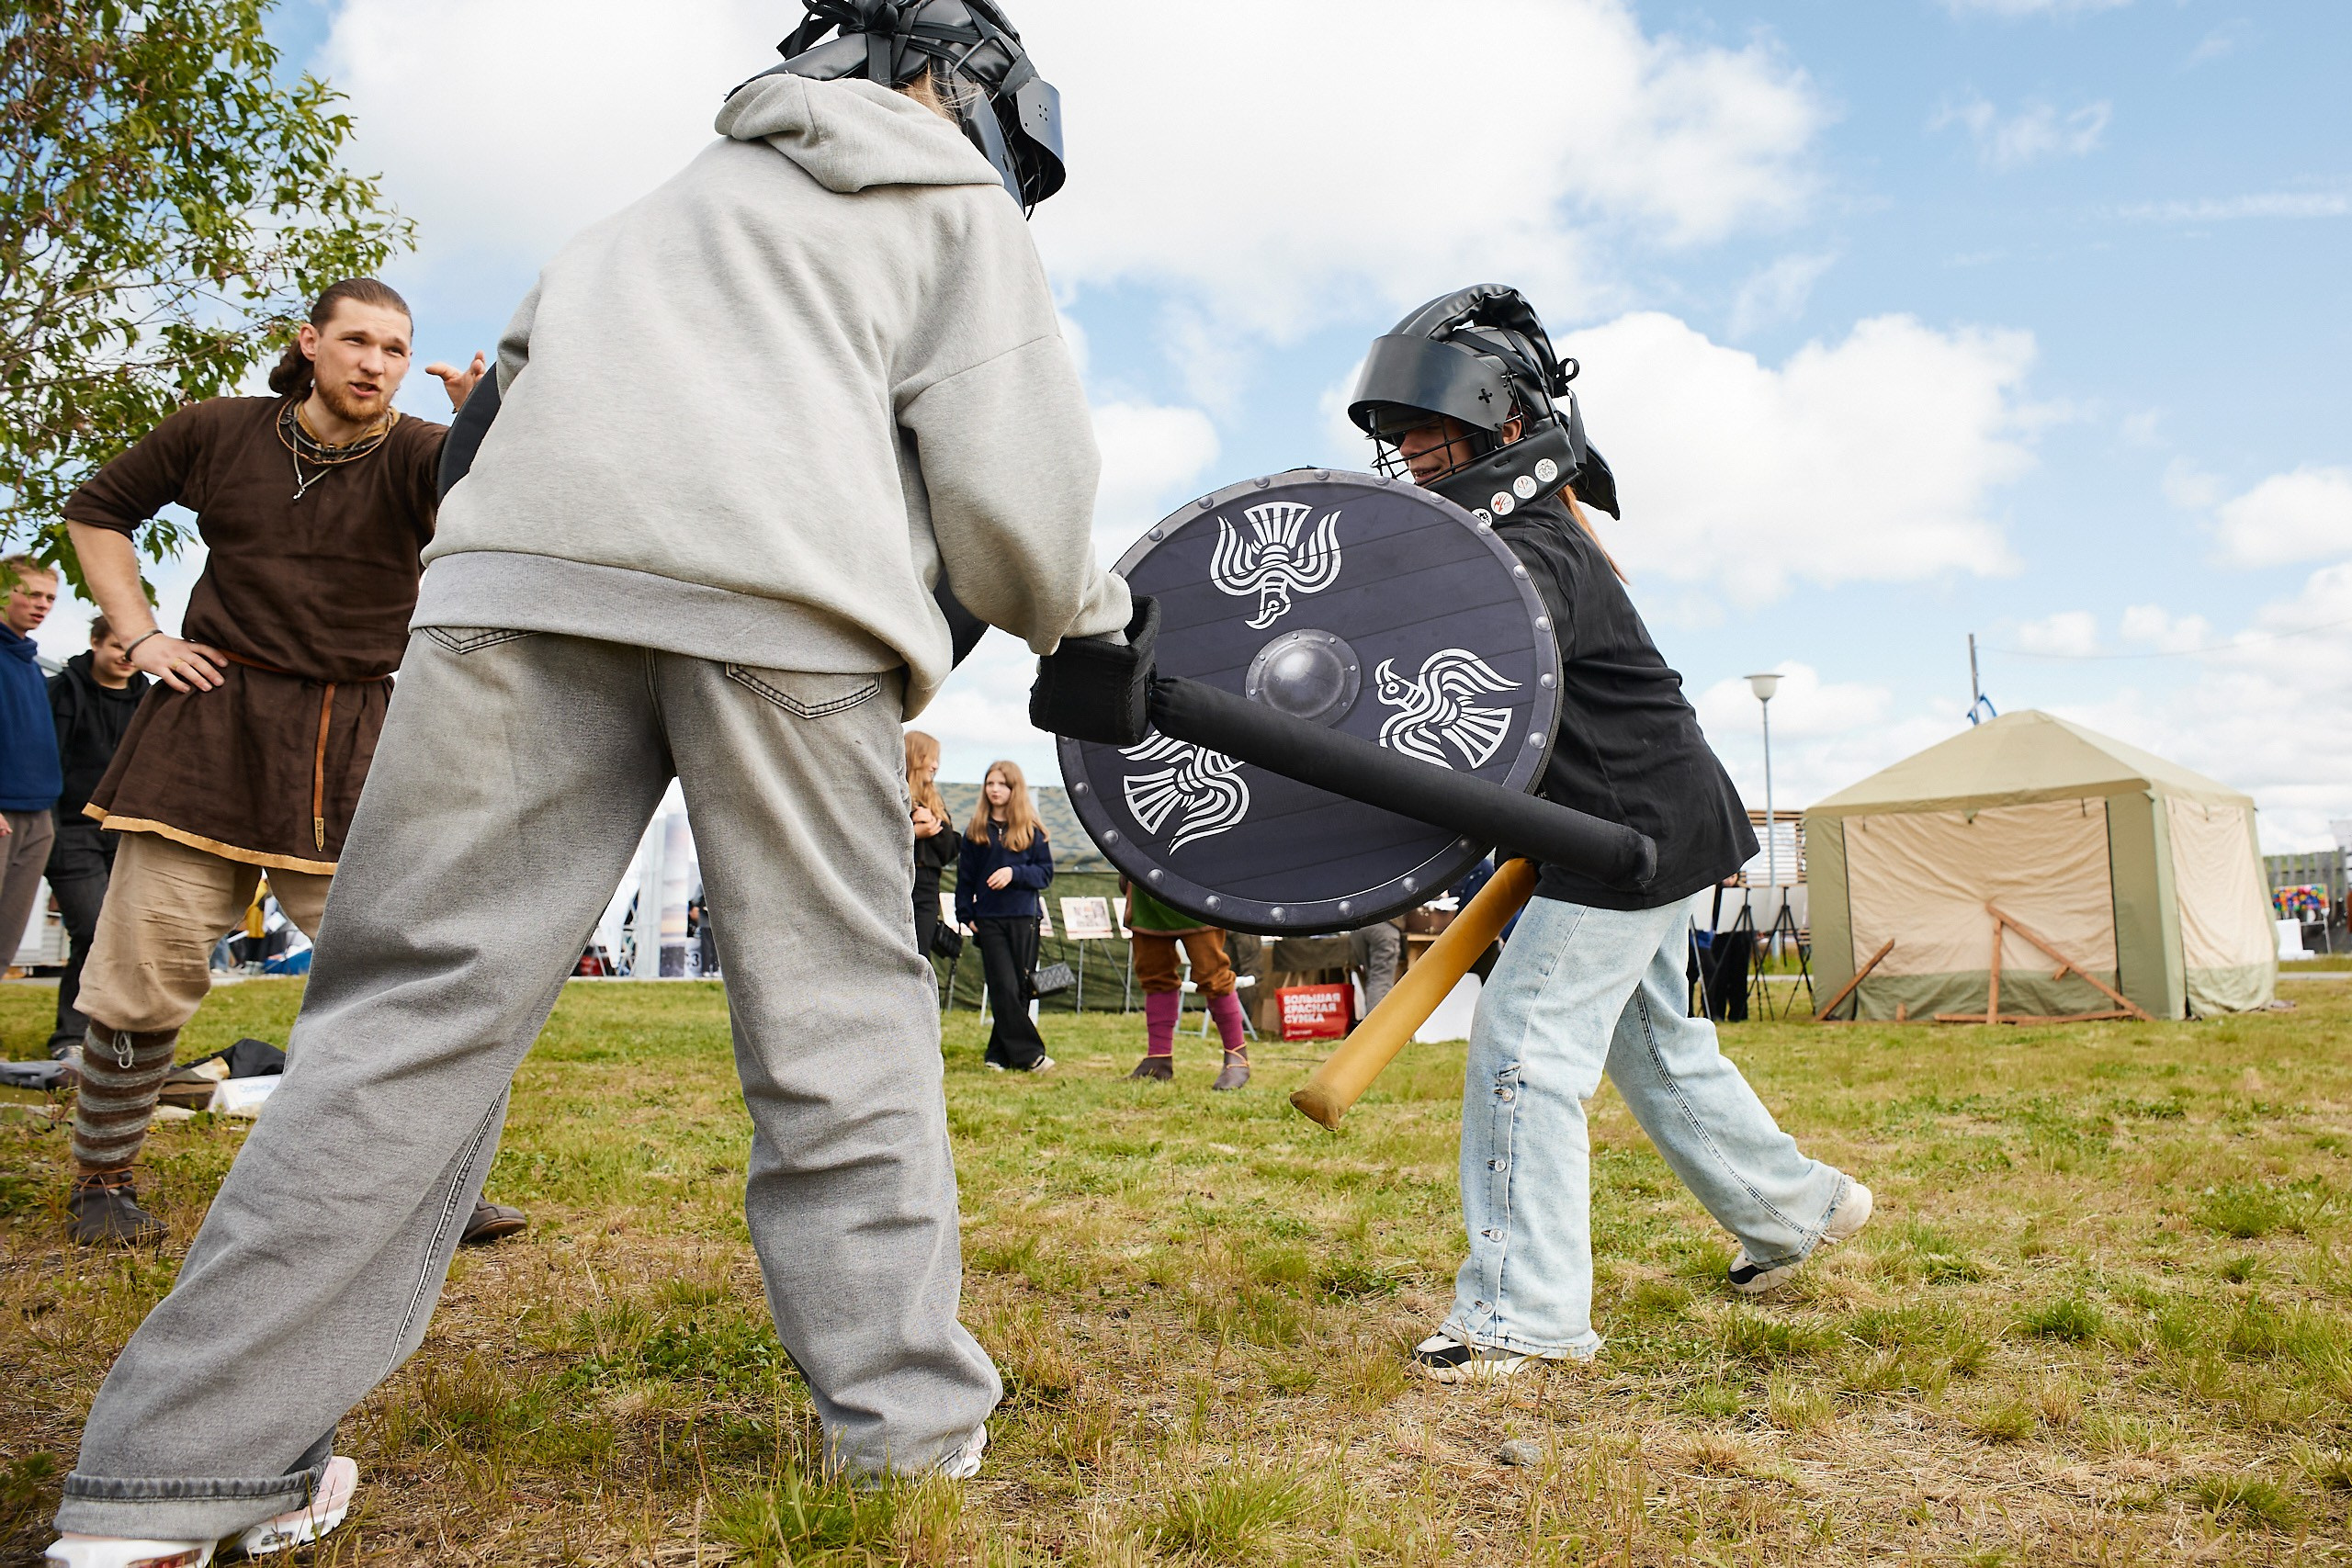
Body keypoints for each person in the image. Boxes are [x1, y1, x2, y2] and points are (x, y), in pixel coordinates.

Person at [50, 3, 1123, 1558]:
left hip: (511, 606)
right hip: (786, 612)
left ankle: (172, 1482)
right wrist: (1096, 623)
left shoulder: (638, 218)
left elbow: (484, 438)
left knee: (402, 1011)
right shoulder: (955, 206)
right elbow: (1019, 493)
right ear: (942, 84)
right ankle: (906, 1425)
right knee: (834, 1017)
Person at [1345, 286, 1870, 1384]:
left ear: (1499, 421)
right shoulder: (1515, 545)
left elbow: (1435, 674)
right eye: (1395, 438)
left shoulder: (1531, 550)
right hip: (1634, 825)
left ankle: (1523, 1314)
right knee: (1658, 1048)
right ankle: (1798, 1213)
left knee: (1523, 1054)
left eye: (1422, 431)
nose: (1407, 454)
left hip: (1626, 834)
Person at [47, 276, 528, 1253]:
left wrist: (488, 425)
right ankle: (103, 1178)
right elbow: (97, 511)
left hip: (353, 737)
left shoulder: (425, 457)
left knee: (400, 984)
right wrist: (139, 639)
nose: (375, 363)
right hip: (206, 729)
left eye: (395, 349)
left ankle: (427, 1188)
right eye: (357, 341)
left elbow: (524, 521)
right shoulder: (218, 431)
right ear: (310, 343)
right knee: (144, 977)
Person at [44, 617, 151, 1055]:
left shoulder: (150, 699)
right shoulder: (60, 691)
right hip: (69, 828)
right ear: (94, 643)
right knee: (90, 929)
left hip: (125, 831)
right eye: (116, 647)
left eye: (132, 649)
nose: (126, 658)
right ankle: (71, 1037)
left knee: (127, 935)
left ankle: (114, 1035)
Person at [956, 760, 1057, 1073]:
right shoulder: (975, 830)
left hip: (1025, 918)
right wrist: (966, 914)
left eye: (1001, 784)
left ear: (1015, 789)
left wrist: (1014, 872)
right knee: (1001, 984)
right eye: (990, 783)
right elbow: (964, 879)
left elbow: (1045, 875)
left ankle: (998, 1055)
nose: (995, 789)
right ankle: (1031, 1055)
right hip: (989, 919)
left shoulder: (1032, 830)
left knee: (1020, 988)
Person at [0, 558, 63, 980]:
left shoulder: (30, 663)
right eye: (33, 593)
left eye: (51, 598)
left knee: (6, 937)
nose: (42, 605)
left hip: (38, 814)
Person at [1122, 881, 1249, 1089]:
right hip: (1146, 895)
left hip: (1194, 889)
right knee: (1155, 978)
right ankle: (1158, 1059)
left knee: (1214, 977)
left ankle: (1238, 1058)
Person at [904, 729, 961, 966]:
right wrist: (914, 832)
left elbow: (950, 850)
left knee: (921, 951)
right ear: (916, 757)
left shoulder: (934, 801)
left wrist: (933, 824)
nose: (936, 765)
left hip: (927, 886)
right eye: (931, 757)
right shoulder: (894, 792)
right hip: (897, 881)